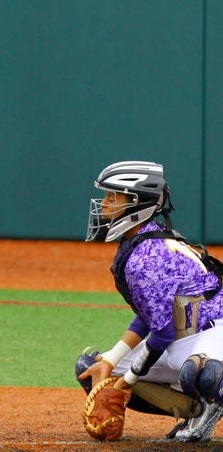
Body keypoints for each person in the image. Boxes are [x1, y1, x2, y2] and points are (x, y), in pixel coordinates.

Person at [76, 160, 223, 442]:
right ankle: (198, 409)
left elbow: (162, 333)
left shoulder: (146, 256)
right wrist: (112, 360)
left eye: (112, 197)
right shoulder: (140, 241)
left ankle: (214, 403)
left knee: (203, 373)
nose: (103, 204)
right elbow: (152, 316)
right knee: (91, 369)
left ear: (136, 203)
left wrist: (126, 381)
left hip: (214, 331)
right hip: (181, 339)